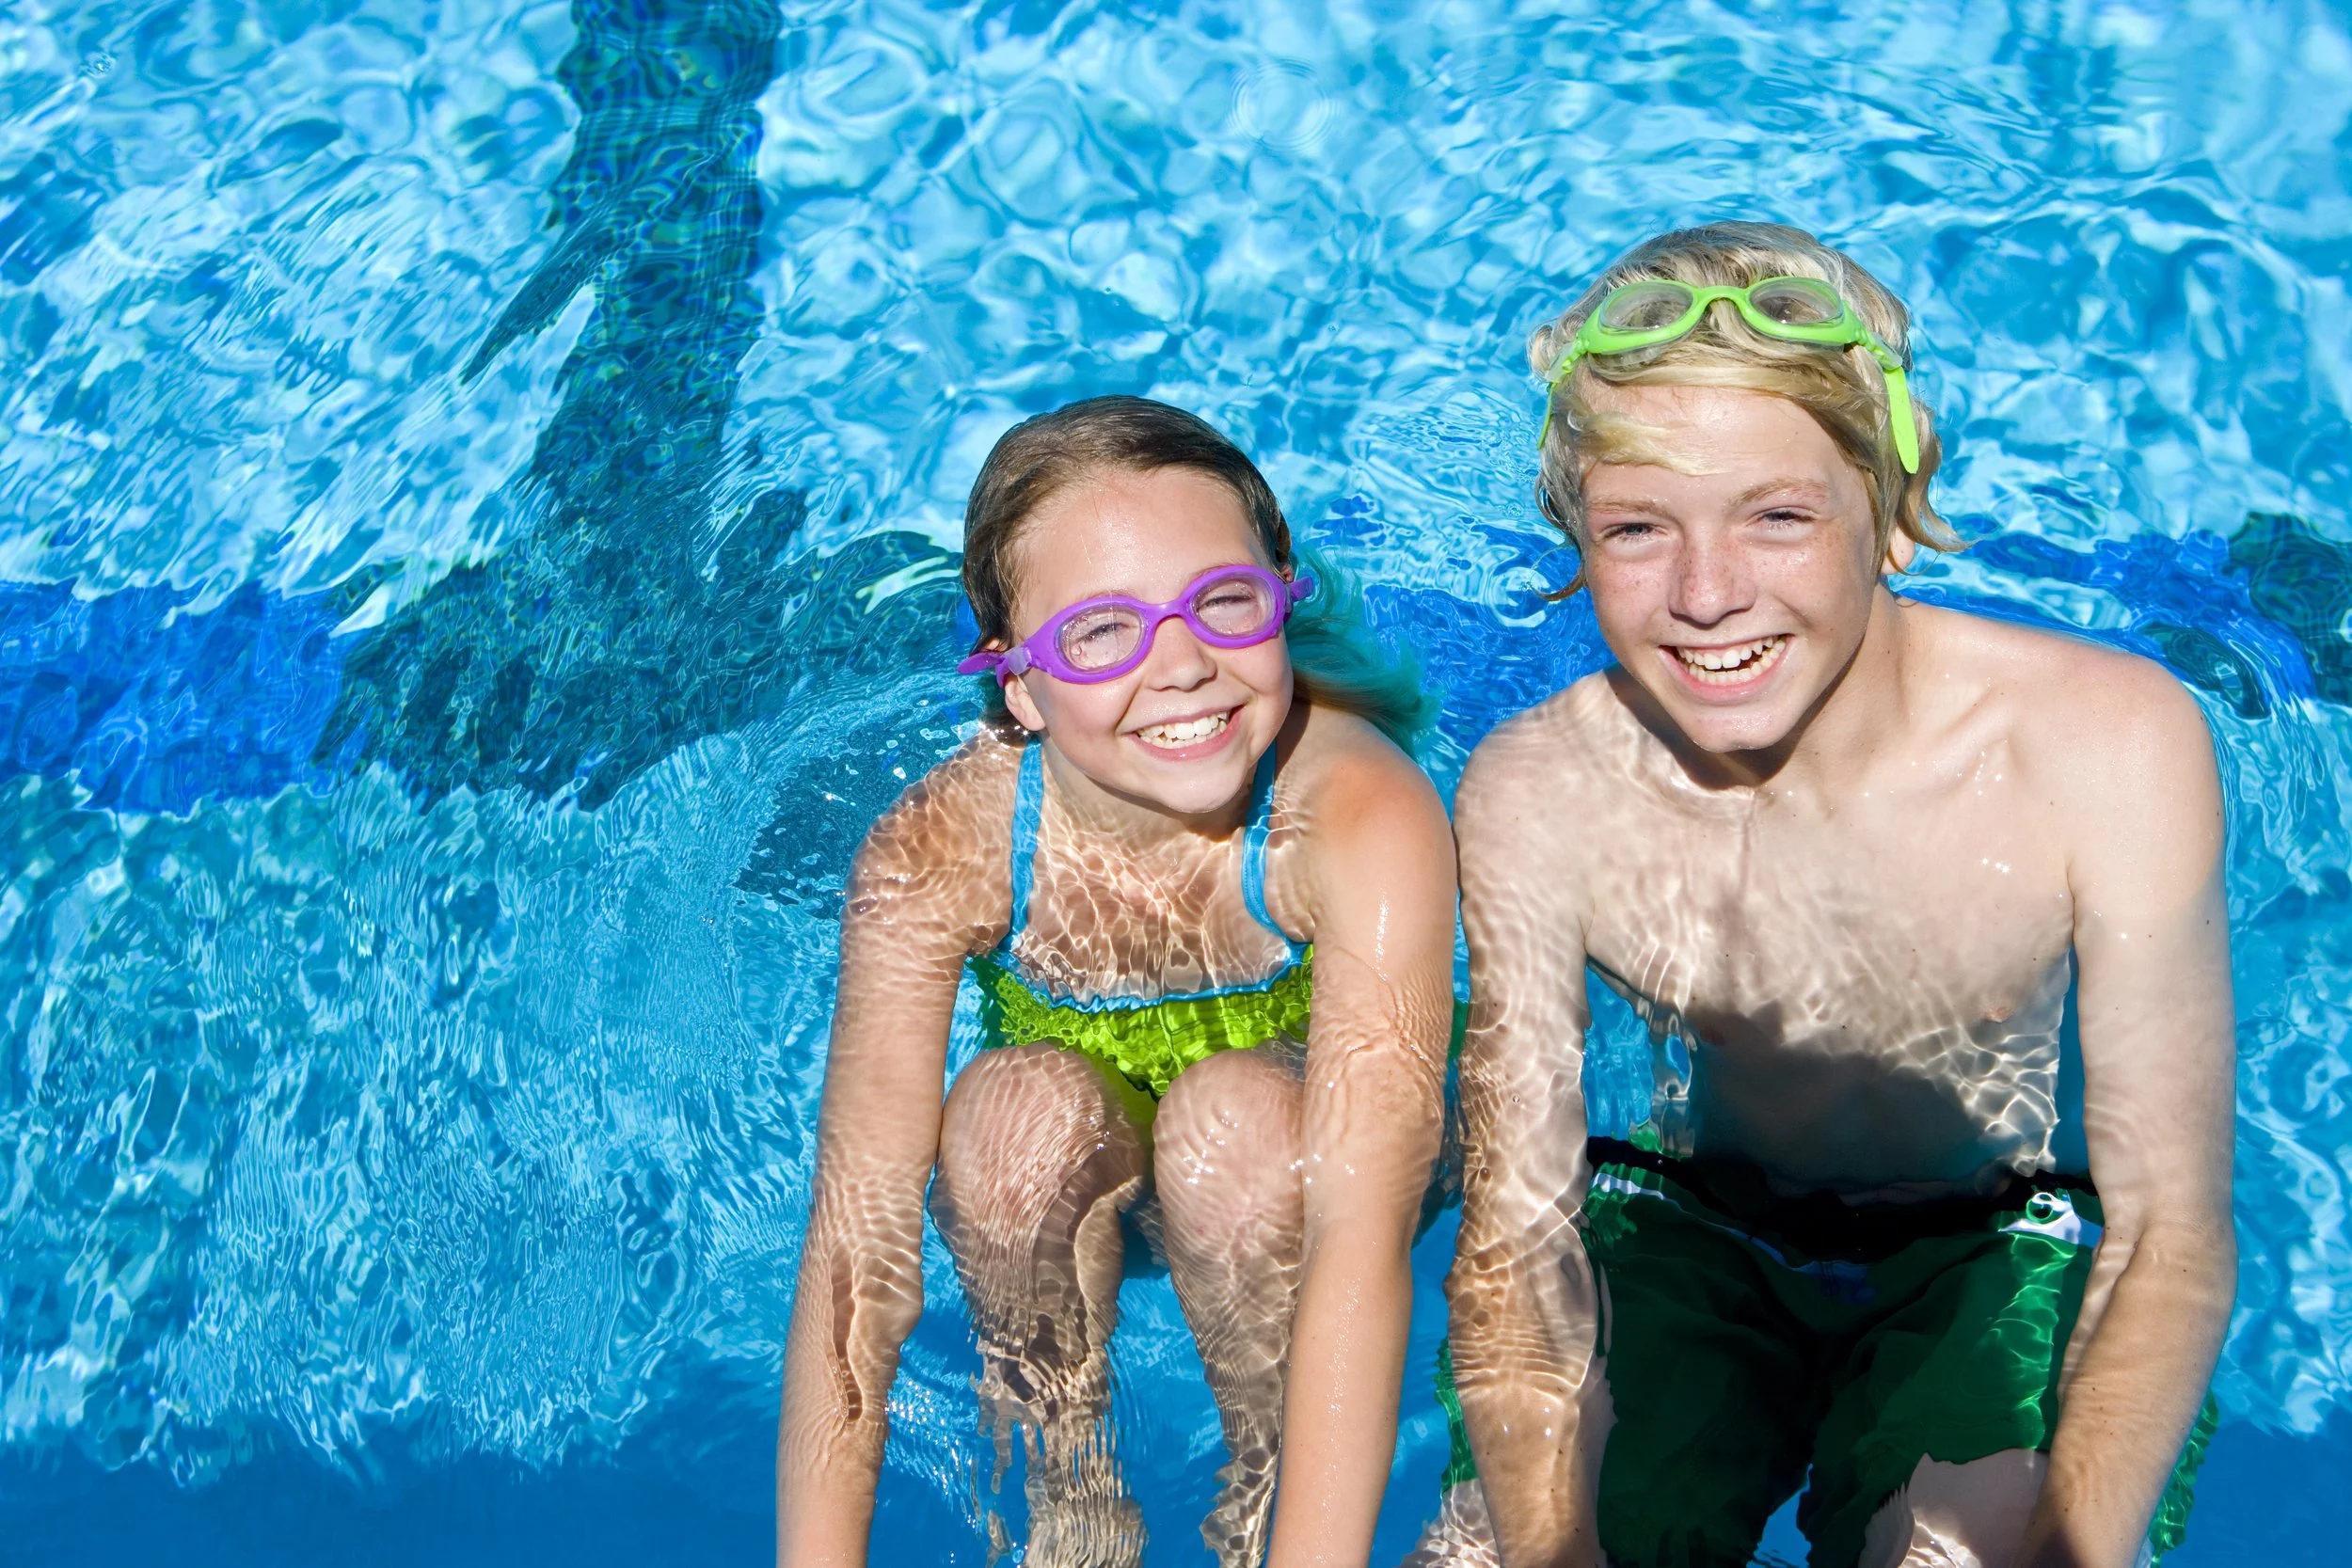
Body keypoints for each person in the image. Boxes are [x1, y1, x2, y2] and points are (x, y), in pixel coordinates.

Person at [1418, 223, 2235, 1568]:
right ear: (1573, 532)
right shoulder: (1543, 786)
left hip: (1990, 1241)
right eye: (1637, 527)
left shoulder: (2102, 746)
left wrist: (2071, 1543)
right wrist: (1549, 1539)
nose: (1705, 594)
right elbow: (1517, 1230)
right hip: (1686, 1228)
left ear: (1894, 502)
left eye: (1778, 515)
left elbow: (2170, 1230)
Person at [777, 396, 1457, 1568]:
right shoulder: (937, 851)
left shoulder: (1355, 812)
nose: (1183, 664)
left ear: (1281, 595)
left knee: (1232, 1129)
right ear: (1020, 684)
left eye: (1222, 601)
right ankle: (1073, 1498)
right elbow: (857, 1241)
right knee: (1005, 1117)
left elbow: (1360, 1223)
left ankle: (1260, 1493)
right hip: (1090, 1186)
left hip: (1305, 1167)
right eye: (1102, 630)